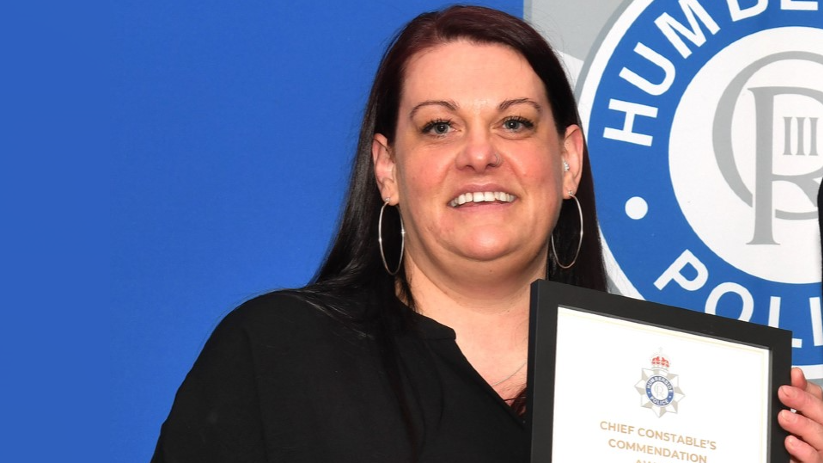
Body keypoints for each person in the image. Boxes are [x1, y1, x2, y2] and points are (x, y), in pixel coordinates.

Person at [151, 5, 823, 463]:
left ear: (567, 162)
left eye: (513, 123)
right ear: (386, 168)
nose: (479, 155)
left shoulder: (694, 394)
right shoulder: (275, 356)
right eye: (439, 126)